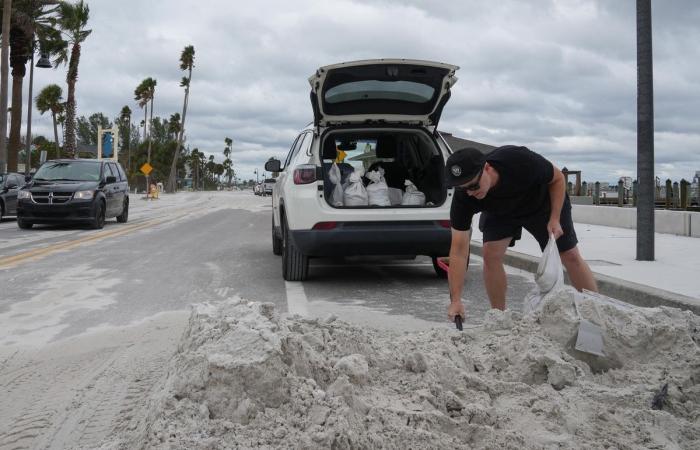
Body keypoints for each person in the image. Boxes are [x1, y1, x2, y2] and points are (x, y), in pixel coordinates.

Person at [445, 146, 597, 321]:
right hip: (500, 212)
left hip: (541, 204)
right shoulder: (465, 197)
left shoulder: (517, 160)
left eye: (473, 185)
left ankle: (594, 315)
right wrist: (455, 300)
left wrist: (555, 218)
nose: (470, 192)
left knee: (569, 254)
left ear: (487, 168)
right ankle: (499, 318)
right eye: (464, 189)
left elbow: (558, 179)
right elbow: (458, 250)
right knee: (490, 254)